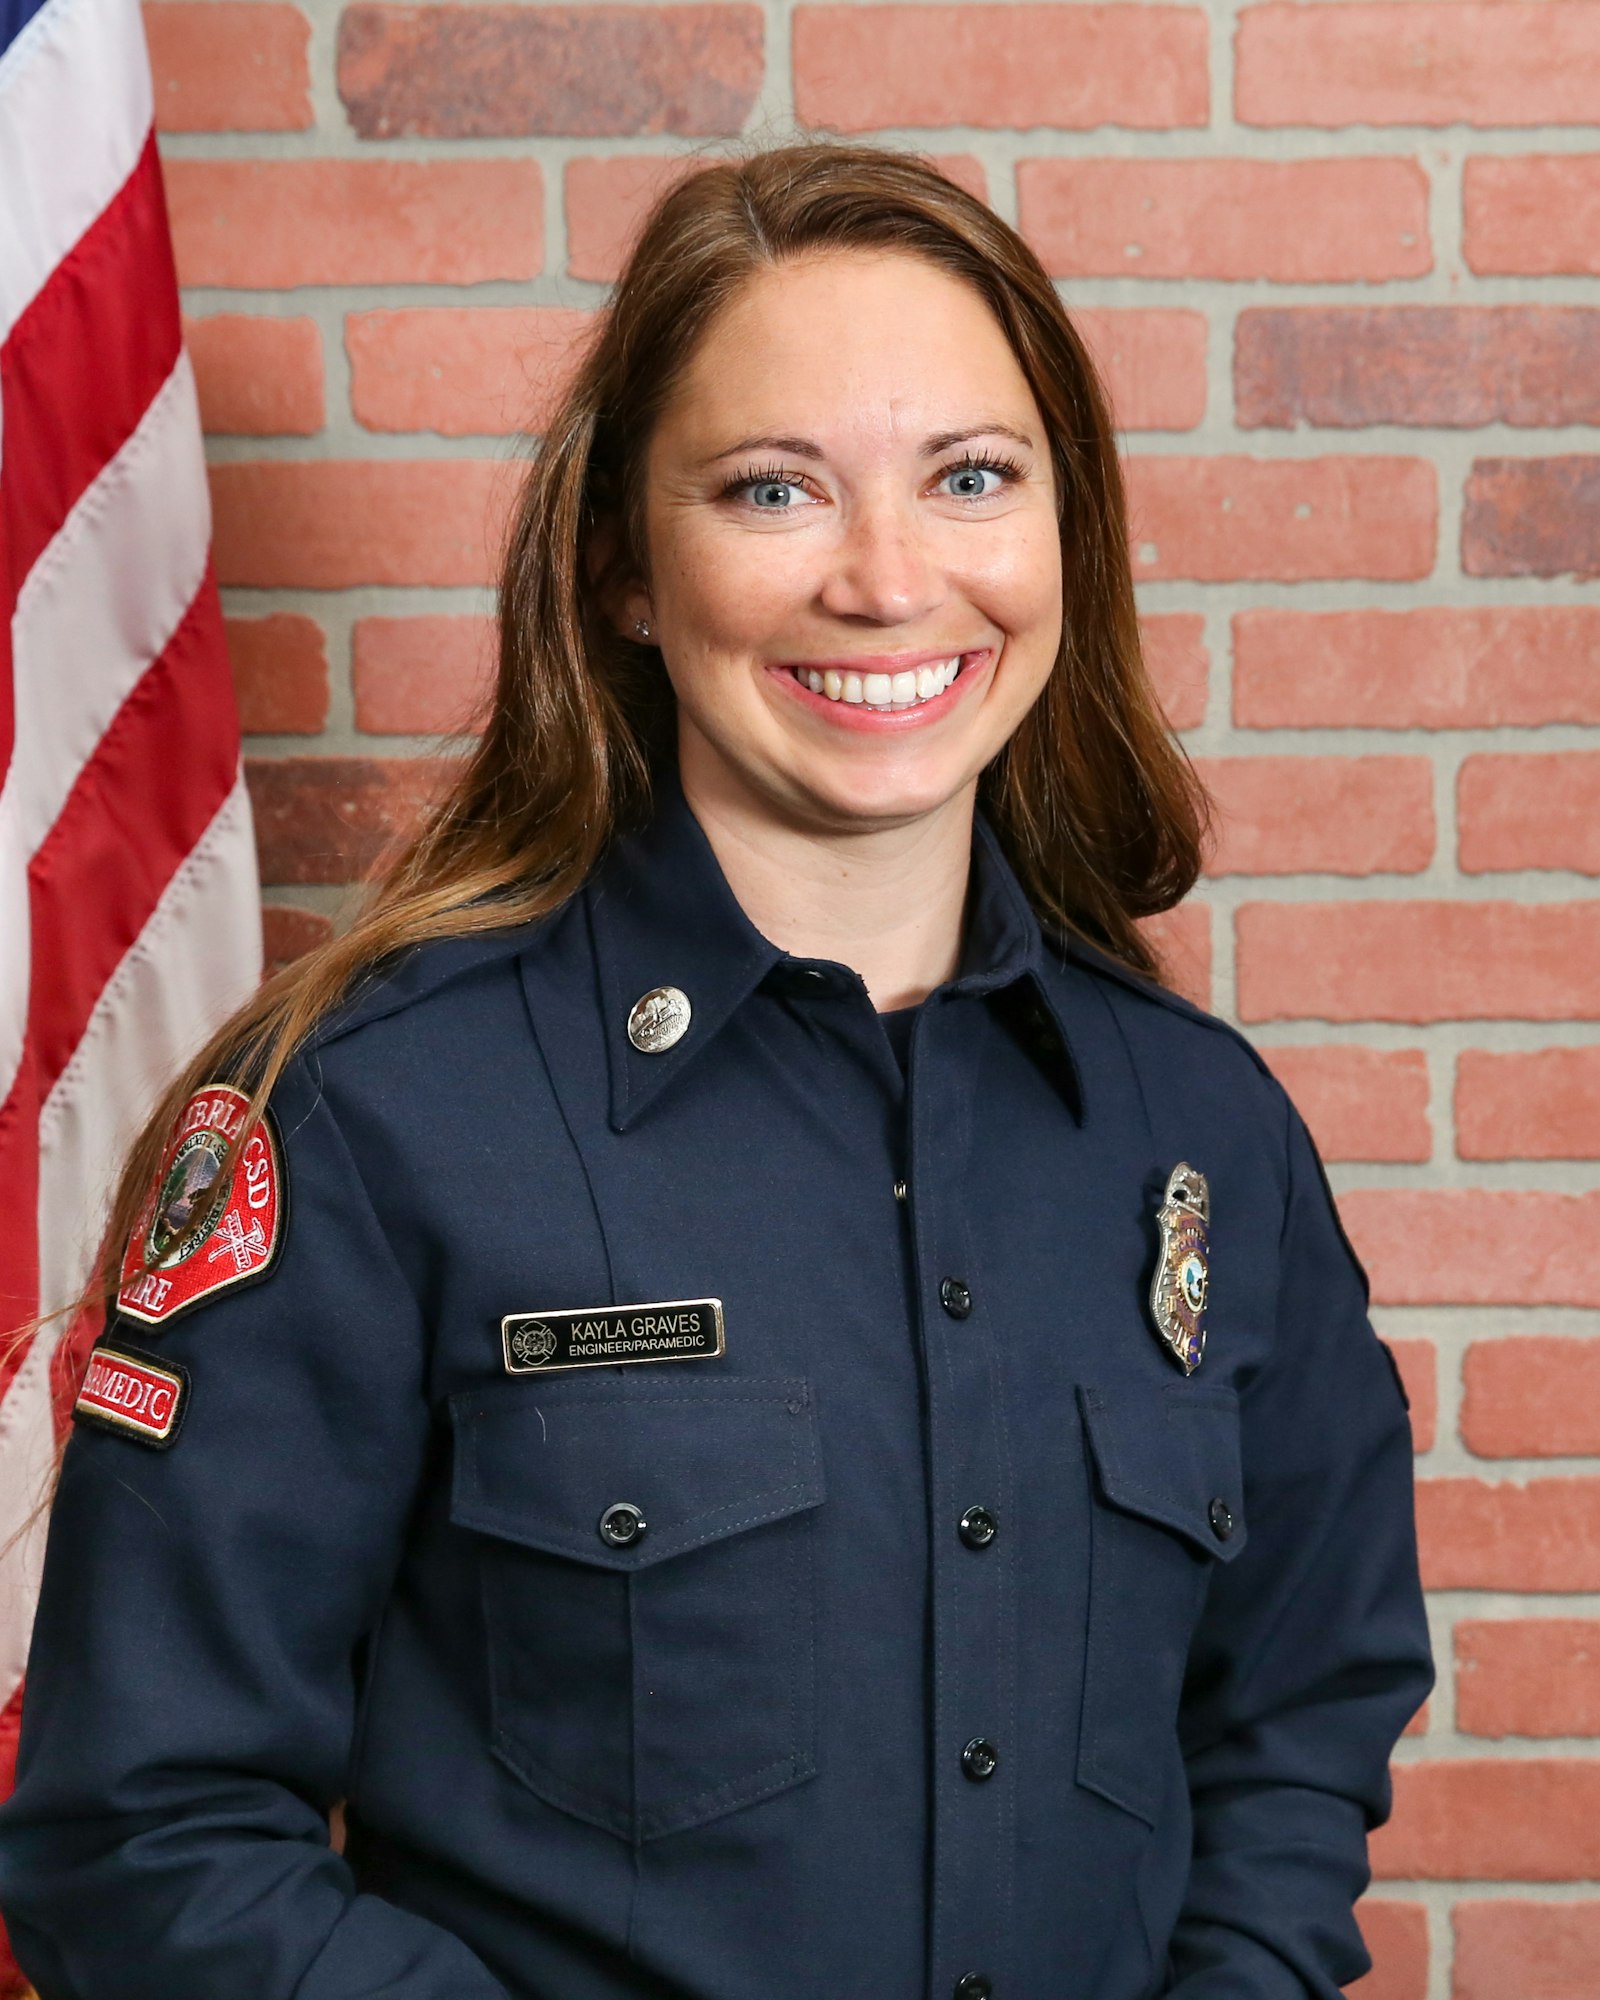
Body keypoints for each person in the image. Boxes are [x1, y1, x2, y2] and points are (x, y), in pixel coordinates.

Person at [0, 142, 1432, 1999]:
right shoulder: (366, 1119)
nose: (890, 579)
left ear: (1063, 532)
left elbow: (1302, 1709)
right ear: (621, 572)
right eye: (774, 491)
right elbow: (142, 1831)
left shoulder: (1203, 1135)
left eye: (973, 479)